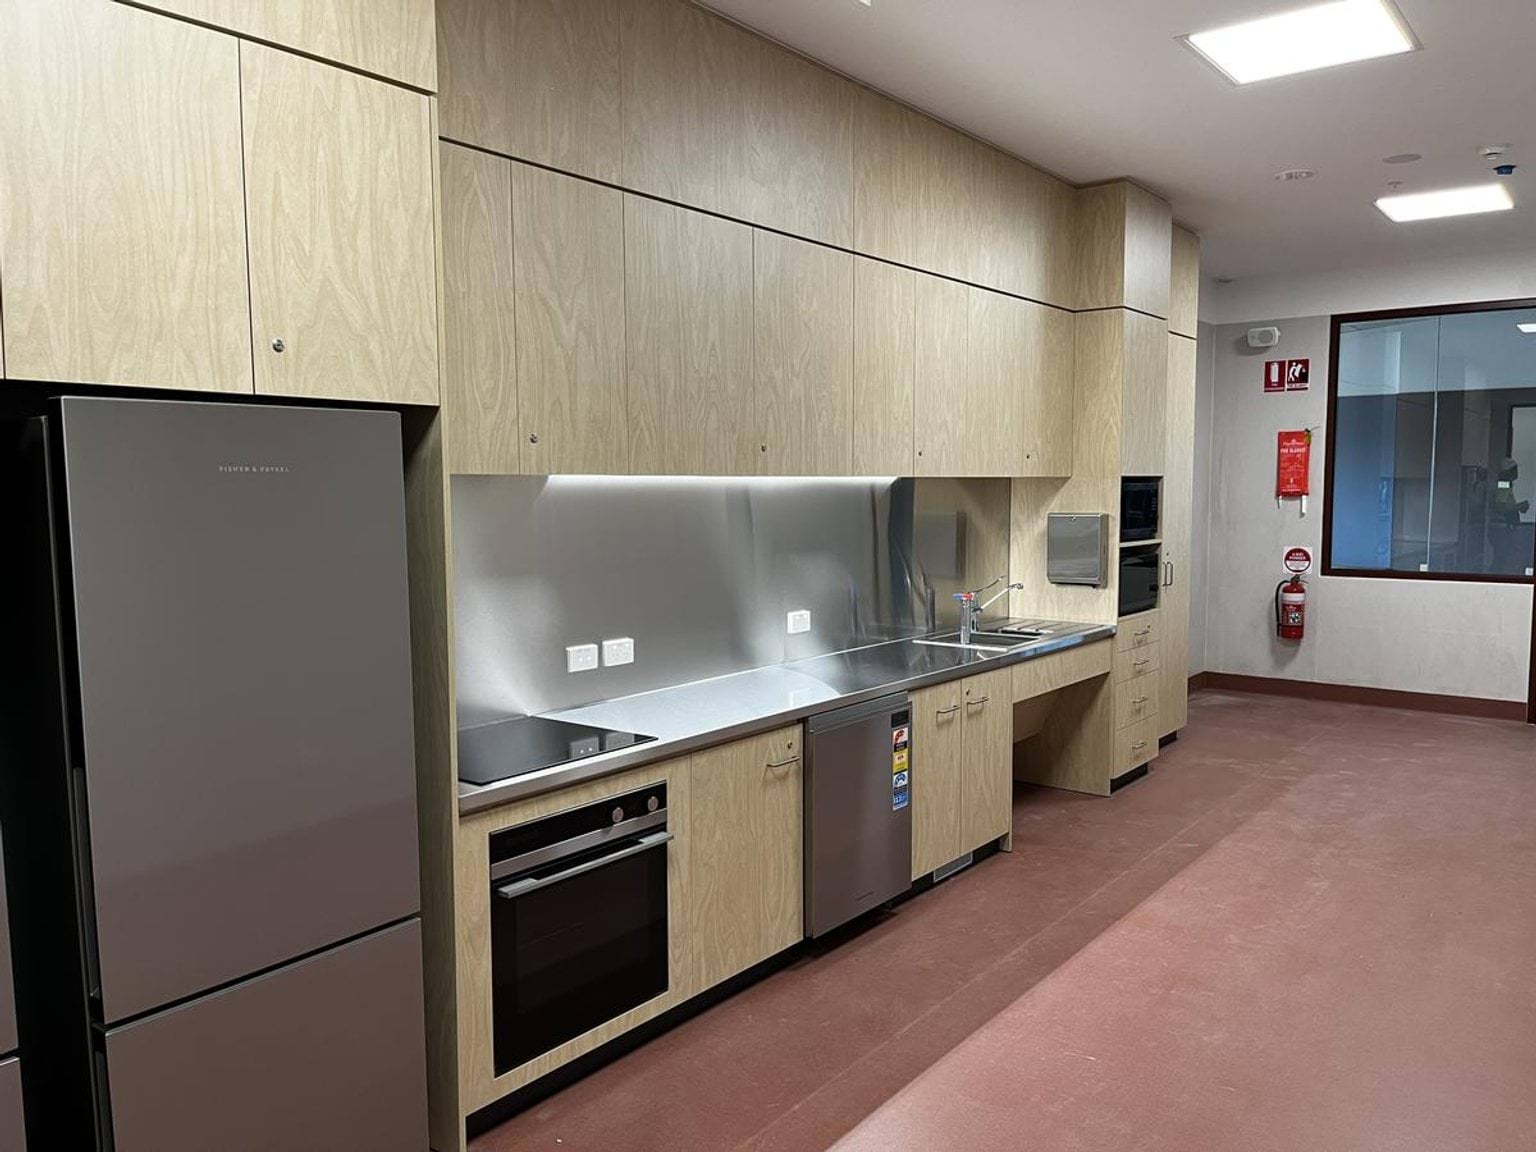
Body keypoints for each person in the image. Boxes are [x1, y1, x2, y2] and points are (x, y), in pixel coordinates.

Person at [1489, 457, 1531, 573]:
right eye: (1514, 469)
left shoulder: (1504, 485)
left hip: (1501, 527)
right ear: (1508, 472)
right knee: (1502, 557)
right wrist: (1519, 507)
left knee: (1501, 557)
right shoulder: (1503, 485)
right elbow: (1500, 507)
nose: (1517, 472)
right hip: (1502, 528)